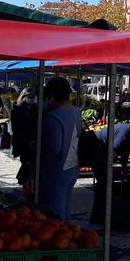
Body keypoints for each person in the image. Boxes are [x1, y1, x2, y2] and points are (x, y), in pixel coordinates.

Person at [89, 122, 130, 224]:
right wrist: (108, 171)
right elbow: (110, 156)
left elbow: (127, 151)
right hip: (96, 150)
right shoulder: (124, 136)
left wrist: (124, 166)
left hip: (104, 152)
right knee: (103, 184)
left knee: (106, 183)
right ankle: (96, 216)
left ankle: (105, 212)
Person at [39, 77, 82, 221]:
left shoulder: (54, 116)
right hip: (73, 167)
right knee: (65, 209)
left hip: (57, 170)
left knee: (55, 215)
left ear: (51, 96)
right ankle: (70, 239)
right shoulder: (75, 111)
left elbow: (53, 148)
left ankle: (62, 242)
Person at [10, 88, 39, 186]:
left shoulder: (36, 109)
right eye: (30, 97)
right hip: (23, 142)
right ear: (24, 97)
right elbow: (17, 128)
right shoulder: (17, 110)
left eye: (34, 97)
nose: (32, 99)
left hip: (35, 142)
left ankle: (27, 183)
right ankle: (24, 182)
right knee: (26, 163)